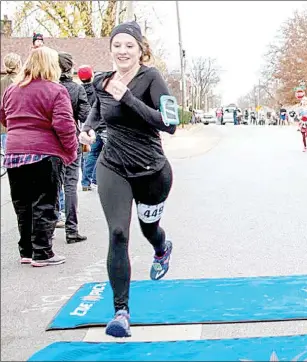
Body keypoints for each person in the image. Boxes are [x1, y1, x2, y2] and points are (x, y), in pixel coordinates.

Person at [79, 21, 176, 338]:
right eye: (117, 45)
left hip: (152, 170)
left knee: (149, 229)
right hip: (113, 166)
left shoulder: (152, 78)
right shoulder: (101, 81)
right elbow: (97, 108)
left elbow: (169, 124)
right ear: (110, 49)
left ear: (139, 49)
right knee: (118, 233)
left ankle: (162, 248)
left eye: (129, 46)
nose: (122, 51)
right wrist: (89, 128)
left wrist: (129, 99)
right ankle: (121, 312)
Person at [0, 46, 78, 266]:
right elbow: (64, 125)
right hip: (44, 153)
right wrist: (70, 151)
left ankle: (26, 251)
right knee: (45, 203)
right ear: (51, 65)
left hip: (15, 152)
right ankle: (43, 252)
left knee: (22, 205)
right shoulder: (55, 90)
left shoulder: (12, 90)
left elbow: (3, 116)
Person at [56, 52, 90, 243]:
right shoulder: (76, 89)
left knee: (53, 185)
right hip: (71, 140)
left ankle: (50, 227)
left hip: (51, 142)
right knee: (70, 185)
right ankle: (71, 229)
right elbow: (85, 115)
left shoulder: (48, 87)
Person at [78, 65, 105, 191]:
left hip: (85, 126)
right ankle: (95, 179)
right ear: (91, 76)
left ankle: (85, 182)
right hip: (100, 125)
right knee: (100, 153)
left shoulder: (79, 90)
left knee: (89, 154)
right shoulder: (97, 90)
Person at [1, 53, 22, 151]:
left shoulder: (2, 82)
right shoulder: (22, 82)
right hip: (19, 126)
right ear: (18, 65)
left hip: (4, 126)